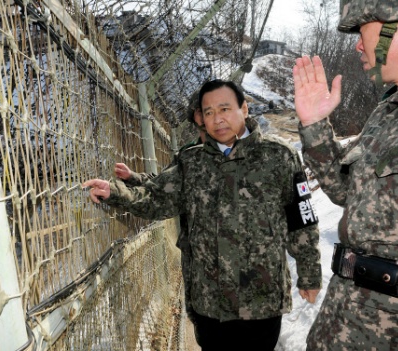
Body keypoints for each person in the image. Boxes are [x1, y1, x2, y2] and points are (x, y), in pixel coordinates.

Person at [84, 79, 322, 350]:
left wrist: (310, 273)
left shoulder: (280, 157)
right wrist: (116, 192)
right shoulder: (191, 162)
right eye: (208, 112)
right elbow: (157, 198)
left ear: (244, 109)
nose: (217, 119)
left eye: (224, 109)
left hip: (261, 299)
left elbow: (302, 220)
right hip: (211, 302)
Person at [293, 1, 398, 350]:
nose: (358, 44)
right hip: (344, 326)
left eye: (362, 29)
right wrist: (315, 125)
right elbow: (351, 192)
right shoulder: (391, 109)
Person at [113, 91, 206, 324]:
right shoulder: (188, 155)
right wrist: (133, 178)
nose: (209, 117)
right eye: (203, 111)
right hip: (200, 259)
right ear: (195, 118)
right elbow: (163, 185)